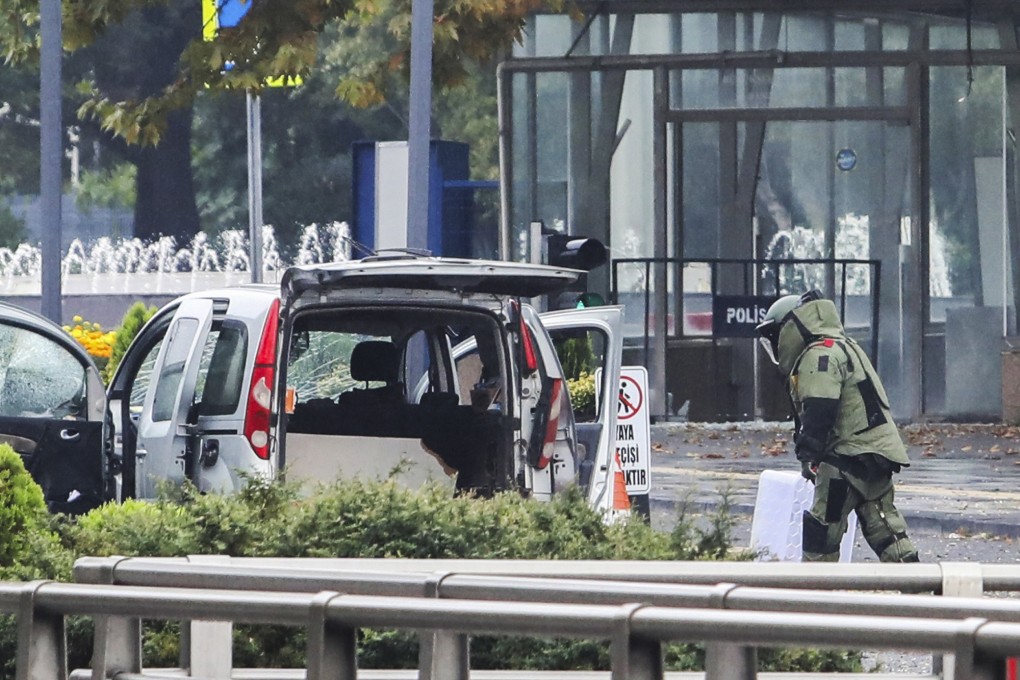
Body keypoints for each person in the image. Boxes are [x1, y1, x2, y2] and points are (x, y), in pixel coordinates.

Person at [755, 290, 918, 563]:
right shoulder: (844, 345)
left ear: (791, 328)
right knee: (887, 531)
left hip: (844, 460)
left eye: (775, 335)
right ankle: (921, 594)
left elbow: (820, 409)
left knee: (821, 534)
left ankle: (819, 598)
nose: (776, 344)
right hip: (877, 455)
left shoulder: (818, 355)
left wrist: (809, 454)